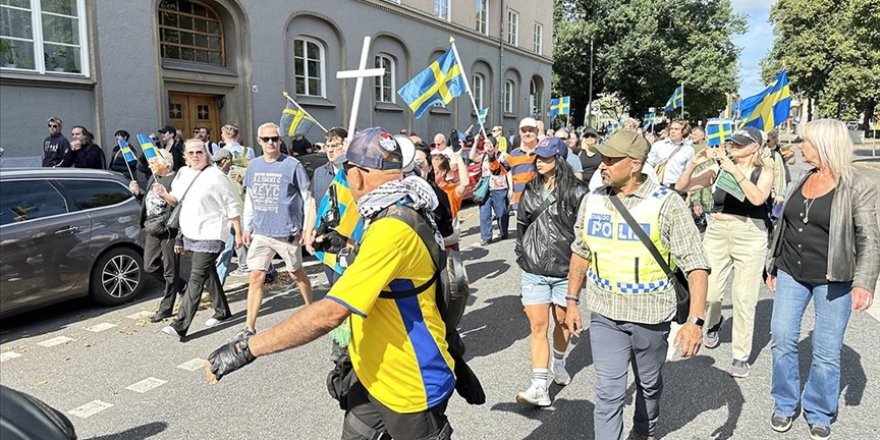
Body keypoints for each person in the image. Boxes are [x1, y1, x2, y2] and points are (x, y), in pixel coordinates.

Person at [206, 128, 456, 440]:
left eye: (345, 172)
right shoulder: (397, 206)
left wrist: (247, 348)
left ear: (357, 178)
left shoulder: (391, 229)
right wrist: (346, 243)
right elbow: (390, 268)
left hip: (410, 382)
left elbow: (329, 313)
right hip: (372, 374)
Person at [564, 130, 710, 440]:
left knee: (649, 384)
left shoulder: (666, 204)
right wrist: (572, 301)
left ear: (634, 165)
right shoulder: (593, 200)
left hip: (651, 316)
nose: (602, 165)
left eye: (610, 160)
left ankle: (645, 430)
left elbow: (696, 266)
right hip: (605, 314)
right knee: (608, 393)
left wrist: (695, 322)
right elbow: (580, 252)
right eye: (602, 159)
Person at [765, 119, 879, 440]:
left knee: (826, 351)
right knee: (782, 337)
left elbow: (869, 238)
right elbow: (783, 226)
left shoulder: (857, 185)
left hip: (834, 279)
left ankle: (819, 409)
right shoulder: (802, 179)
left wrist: (864, 282)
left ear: (826, 146)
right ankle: (785, 403)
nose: (801, 147)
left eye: (807, 143)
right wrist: (772, 265)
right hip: (791, 271)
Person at [675, 126, 773, 377]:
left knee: (743, 297)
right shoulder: (719, 168)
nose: (733, 148)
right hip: (717, 231)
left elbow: (758, 198)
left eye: (740, 145)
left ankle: (740, 356)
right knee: (710, 291)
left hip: (750, 234)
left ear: (755, 147)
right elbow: (683, 185)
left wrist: (735, 171)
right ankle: (713, 322)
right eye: (732, 144)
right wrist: (693, 164)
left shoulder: (764, 170)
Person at [514, 137, 587, 407]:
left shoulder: (579, 192)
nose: (539, 162)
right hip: (534, 271)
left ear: (560, 160)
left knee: (563, 323)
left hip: (565, 272)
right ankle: (539, 386)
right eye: (538, 157)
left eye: (546, 157)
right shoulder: (530, 189)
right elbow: (521, 225)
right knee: (537, 326)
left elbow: (584, 235)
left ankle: (559, 361)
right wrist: (523, 255)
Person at [234, 122, 314, 342]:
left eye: (275, 139)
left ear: (280, 140)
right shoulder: (253, 166)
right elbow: (249, 198)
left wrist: (307, 229)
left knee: (295, 273)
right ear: (259, 142)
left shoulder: (292, 165)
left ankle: (310, 309)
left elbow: (308, 199)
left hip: (286, 232)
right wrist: (247, 226)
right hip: (261, 232)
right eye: (266, 139)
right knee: (256, 276)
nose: (271, 143)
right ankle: (249, 326)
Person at [158, 139, 241, 340]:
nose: (195, 156)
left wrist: (238, 232)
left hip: (212, 233)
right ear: (185, 156)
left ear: (207, 154)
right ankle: (222, 311)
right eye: (191, 152)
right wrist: (163, 194)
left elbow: (231, 204)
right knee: (208, 272)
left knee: (196, 276)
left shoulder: (216, 176)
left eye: (200, 152)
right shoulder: (183, 174)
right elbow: (176, 200)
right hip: (191, 233)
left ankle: (180, 325)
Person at [128, 149, 180, 323]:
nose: (149, 166)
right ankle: (184, 287)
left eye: (153, 162)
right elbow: (148, 202)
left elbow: (178, 204)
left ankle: (166, 309)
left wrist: (165, 194)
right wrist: (137, 193)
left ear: (165, 163)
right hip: (152, 228)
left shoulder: (175, 179)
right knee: (150, 266)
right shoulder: (153, 178)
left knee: (170, 271)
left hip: (168, 229)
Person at [306, 127, 348, 286]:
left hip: (347, 239)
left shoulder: (353, 172)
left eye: (335, 145)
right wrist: (309, 233)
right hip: (325, 239)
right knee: (332, 285)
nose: (330, 150)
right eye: (328, 146)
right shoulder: (319, 173)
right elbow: (313, 206)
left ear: (344, 146)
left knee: (342, 288)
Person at [469, 135, 509, 245]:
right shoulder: (484, 156)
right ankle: (486, 237)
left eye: (489, 144)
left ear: (495, 146)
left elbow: (508, 171)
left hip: (500, 188)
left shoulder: (503, 156)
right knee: (484, 214)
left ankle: (503, 231)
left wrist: (511, 189)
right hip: (486, 189)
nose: (487, 147)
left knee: (501, 213)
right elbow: (472, 156)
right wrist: (476, 142)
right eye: (485, 145)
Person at [502, 117, 541, 209]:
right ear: (519, 133)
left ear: (537, 131)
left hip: (540, 204)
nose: (527, 133)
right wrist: (491, 156)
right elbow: (498, 172)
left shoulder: (545, 152)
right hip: (520, 205)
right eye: (524, 131)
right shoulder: (513, 154)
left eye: (531, 130)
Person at [647, 119, 694, 188]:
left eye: (676, 129)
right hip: (658, 185)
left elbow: (689, 173)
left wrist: (688, 193)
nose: (673, 131)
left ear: (684, 131)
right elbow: (649, 164)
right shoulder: (658, 145)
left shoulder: (688, 150)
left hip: (677, 186)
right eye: (671, 129)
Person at [431, 132, 469, 199]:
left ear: (444, 142)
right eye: (435, 144)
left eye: (438, 144)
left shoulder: (450, 152)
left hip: (448, 180)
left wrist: (441, 168)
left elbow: (454, 166)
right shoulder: (433, 153)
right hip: (436, 181)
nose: (436, 146)